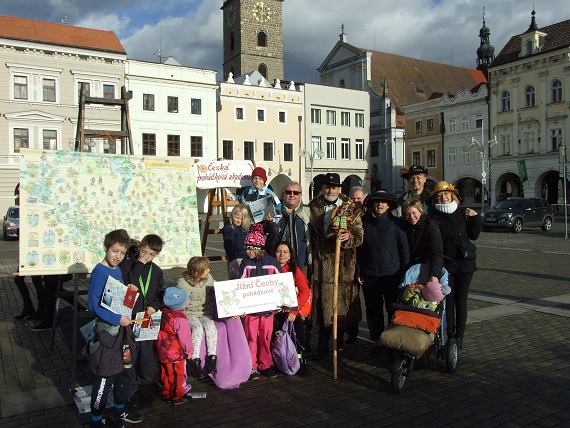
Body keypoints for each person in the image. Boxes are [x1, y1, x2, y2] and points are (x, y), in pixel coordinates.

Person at [87, 229, 143, 428]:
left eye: (122, 252)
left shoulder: (117, 270)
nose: (118, 256)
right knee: (106, 376)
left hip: (122, 334)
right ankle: (96, 419)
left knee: (125, 372)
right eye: (115, 251)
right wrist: (117, 318)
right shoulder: (99, 271)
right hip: (108, 335)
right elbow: (94, 305)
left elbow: (114, 298)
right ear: (105, 248)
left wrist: (128, 291)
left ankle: (120, 408)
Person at [308, 173, 363, 359]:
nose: (330, 190)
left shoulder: (350, 207)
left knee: (340, 305)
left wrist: (349, 237)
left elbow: (359, 235)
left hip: (342, 264)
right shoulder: (313, 206)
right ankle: (322, 344)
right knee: (323, 305)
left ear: (339, 189)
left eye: (333, 187)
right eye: (327, 187)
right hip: (322, 263)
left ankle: (339, 343)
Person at [429, 181, 482, 350]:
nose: (443, 198)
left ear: (452, 195)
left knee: (461, 301)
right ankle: (450, 335)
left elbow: (474, 235)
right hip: (446, 264)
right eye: (439, 195)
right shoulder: (433, 216)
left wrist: (476, 217)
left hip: (465, 264)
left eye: (446, 194)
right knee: (448, 301)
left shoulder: (462, 213)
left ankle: (459, 337)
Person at [356, 191, 409, 352]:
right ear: (372, 204)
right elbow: (359, 250)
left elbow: (404, 249)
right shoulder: (365, 223)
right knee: (373, 310)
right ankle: (377, 339)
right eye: (377, 202)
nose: (380, 205)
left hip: (392, 274)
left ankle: (392, 339)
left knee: (392, 308)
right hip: (370, 274)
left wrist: (405, 273)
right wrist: (359, 271)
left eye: (383, 202)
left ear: (388, 205)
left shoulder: (396, 224)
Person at [119, 234, 165, 411]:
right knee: (130, 354)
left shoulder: (157, 271)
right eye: (144, 252)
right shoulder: (127, 266)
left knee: (146, 355)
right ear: (139, 248)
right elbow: (128, 285)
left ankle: (144, 385)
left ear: (157, 255)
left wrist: (154, 306)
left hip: (146, 318)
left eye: (151, 254)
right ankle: (129, 388)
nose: (146, 257)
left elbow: (160, 293)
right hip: (129, 317)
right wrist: (138, 265)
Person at [238, 223, 282, 379]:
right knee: (250, 337)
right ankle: (250, 366)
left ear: (258, 248)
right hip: (250, 311)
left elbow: (281, 285)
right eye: (246, 248)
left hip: (268, 311)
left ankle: (266, 364)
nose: (247, 251)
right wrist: (240, 307)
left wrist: (279, 305)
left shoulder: (272, 263)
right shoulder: (246, 263)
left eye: (250, 249)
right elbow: (239, 285)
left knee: (265, 337)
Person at [273, 241, 311, 376]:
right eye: (279, 251)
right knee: (273, 330)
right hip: (273, 312)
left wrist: (294, 311)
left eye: (285, 252)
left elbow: (305, 290)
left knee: (299, 328)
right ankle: (277, 359)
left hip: (290, 310)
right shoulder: (268, 269)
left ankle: (300, 359)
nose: (282, 254)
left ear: (290, 255)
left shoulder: (294, 270)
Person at [176, 256, 218, 379]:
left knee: (211, 326)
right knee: (197, 328)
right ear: (197, 272)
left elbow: (219, 287)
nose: (209, 270)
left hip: (205, 312)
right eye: (206, 269)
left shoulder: (209, 280)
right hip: (189, 313)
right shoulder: (182, 284)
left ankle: (212, 358)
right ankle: (195, 360)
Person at [227, 166, 281, 255]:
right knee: (242, 232)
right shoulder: (247, 191)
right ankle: (245, 253)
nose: (257, 181)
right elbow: (240, 198)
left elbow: (278, 206)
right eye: (255, 178)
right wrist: (233, 197)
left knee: (275, 229)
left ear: (264, 180)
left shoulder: (270, 193)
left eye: (260, 179)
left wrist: (273, 218)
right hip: (250, 222)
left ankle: (269, 251)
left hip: (265, 222)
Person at [155, 287, 193, 405]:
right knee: (176, 374)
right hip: (174, 352)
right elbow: (185, 338)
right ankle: (177, 396)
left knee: (165, 373)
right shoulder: (180, 319)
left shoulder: (163, 312)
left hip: (162, 349)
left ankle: (167, 393)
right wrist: (189, 351)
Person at [402, 199, 444, 283]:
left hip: (426, 269)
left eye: (414, 213)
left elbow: (436, 251)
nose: (411, 217)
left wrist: (435, 274)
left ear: (420, 212)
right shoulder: (404, 226)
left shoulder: (430, 226)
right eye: (408, 214)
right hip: (410, 271)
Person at [346, 185, 368, 343]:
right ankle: (352, 330)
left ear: (364, 199)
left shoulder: (368, 214)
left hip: (366, 260)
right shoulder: (347, 214)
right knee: (351, 298)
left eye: (358, 198)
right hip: (350, 260)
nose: (355, 201)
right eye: (353, 198)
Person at [277, 181, 312, 272]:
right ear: (283, 194)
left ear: (300, 196)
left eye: (296, 193)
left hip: (302, 262)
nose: (292, 195)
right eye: (288, 192)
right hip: (278, 264)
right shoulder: (274, 210)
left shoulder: (309, 212)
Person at [222, 204, 250, 279]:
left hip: (247, 257)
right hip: (237, 258)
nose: (239, 220)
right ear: (232, 215)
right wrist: (232, 259)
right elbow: (228, 245)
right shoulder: (229, 228)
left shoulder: (245, 228)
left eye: (241, 219)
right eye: (237, 217)